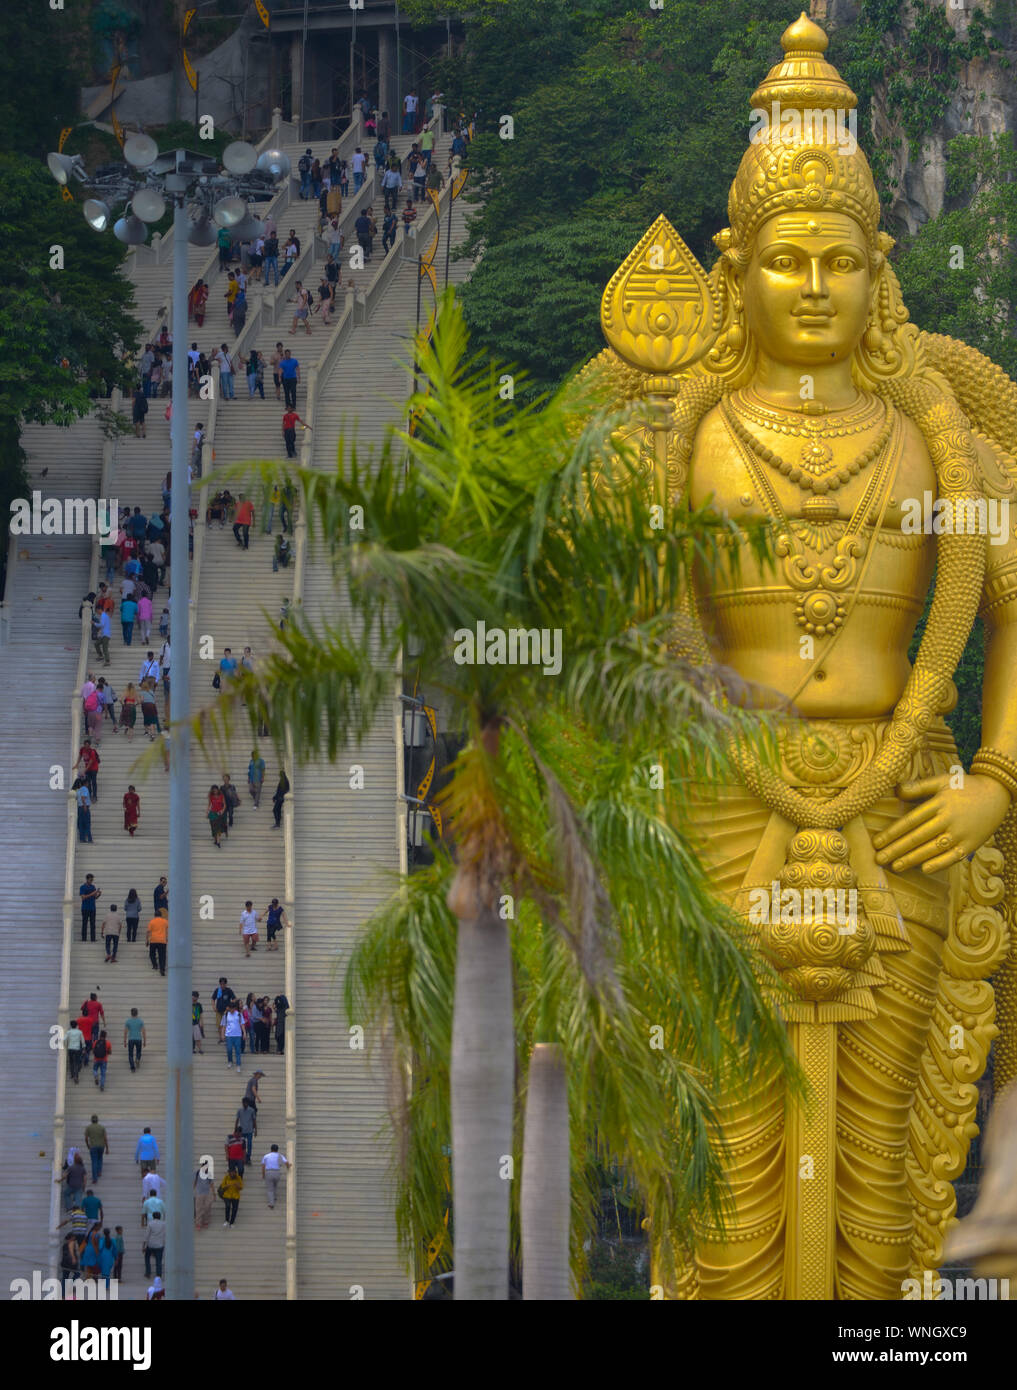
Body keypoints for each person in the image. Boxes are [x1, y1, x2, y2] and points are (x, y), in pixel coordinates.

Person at [261, 1145, 291, 1209]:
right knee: (275, 1185)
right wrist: (288, 1166)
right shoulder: (280, 1155)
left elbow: (263, 1166)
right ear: (277, 1149)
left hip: (269, 1172)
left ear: (271, 1149)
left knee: (270, 1189)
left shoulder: (266, 1156)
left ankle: (271, 1203)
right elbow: (286, 1163)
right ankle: (274, 1197)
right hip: (277, 1172)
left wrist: (263, 1175)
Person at [85, 1115, 109, 1181]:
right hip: (101, 1146)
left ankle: (94, 1178)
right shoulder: (102, 1127)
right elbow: (105, 1138)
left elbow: (86, 1138)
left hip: (93, 1147)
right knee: (100, 1158)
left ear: (91, 1120)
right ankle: (99, 1172)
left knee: (94, 1161)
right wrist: (107, 1148)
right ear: (97, 1120)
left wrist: (88, 1145)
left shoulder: (88, 1128)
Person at [143, 1212, 166, 1278]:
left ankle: (148, 1272)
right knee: (158, 1261)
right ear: (160, 1216)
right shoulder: (163, 1224)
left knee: (147, 1258)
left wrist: (144, 1245)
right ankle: (158, 1274)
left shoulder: (150, 1223)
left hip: (151, 1244)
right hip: (159, 1245)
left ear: (153, 1216)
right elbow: (165, 1234)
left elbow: (147, 1235)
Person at [223, 1001, 244, 1070]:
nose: (231, 1010)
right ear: (228, 1008)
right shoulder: (226, 1015)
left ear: (235, 1008)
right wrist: (222, 1034)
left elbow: (242, 1024)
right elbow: (224, 1025)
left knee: (238, 1050)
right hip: (229, 1035)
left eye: (232, 1008)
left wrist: (244, 1033)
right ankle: (230, 1061)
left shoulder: (239, 1014)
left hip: (238, 1035)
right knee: (229, 1050)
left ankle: (238, 1065)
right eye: (230, 1008)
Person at [147, 908, 168, 975]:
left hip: (153, 940)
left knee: (152, 954)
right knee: (162, 955)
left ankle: (155, 965)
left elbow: (148, 932)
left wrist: (147, 940)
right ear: (161, 915)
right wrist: (167, 937)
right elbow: (168, 928)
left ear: (154, 915)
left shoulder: (152, 921)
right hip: (162, 941)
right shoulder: (165, 921)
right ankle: (162, 969)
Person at [79, 874, 101, 941]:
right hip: (85, 908)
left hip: (92, 908)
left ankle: (93, 939)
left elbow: (95, 897)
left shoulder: (93, 887)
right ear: (87, 879)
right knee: (84, 924)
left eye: (92, 880)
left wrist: (99, 894)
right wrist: (93, 892)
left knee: (93, 924)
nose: (91, 881)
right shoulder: (82, 887)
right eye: (91, 880)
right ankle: (84, 939)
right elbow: (83, 897)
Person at [66, 1018, 85, 1084]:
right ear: (76, 1025)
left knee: (71, 1062)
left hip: (70, 1049)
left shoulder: (68, 1032)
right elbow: (82, 1041)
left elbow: (64, 1039)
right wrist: (84, 1048)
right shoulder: (80, 1032)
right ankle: (76, 1076)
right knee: (76, 1063)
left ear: (71, 1025)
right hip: (77, 1049)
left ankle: (72, 1074)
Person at [74, 779, 93, 845]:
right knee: (87, 823)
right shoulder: (84, 788)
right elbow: (83, 797)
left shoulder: (78, 790)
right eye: (88, 783)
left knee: (81, 824)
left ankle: (82, 838)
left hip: (80, 808)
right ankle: (89, 838)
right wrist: (85, 805)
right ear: (86, 783)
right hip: (84, 807)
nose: (88, 784)